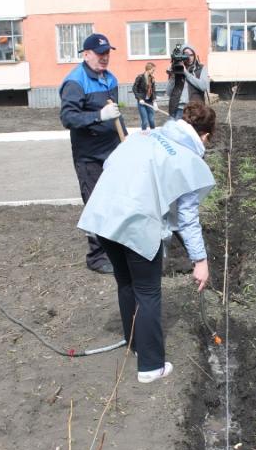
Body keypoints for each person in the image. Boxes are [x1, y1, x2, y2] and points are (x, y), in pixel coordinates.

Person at [77, 102, 216, 383]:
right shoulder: (188, 160)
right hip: (136, 221)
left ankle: (135, 342)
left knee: (126, 282)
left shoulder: (146, 136)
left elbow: (110, 164)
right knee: (148, 291)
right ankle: (151, 366)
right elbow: (187, 218)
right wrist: (200, 261)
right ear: (205, 136)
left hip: (104, 216)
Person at [59, 33, 126, 274]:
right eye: (100, 54)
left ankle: (116, 249)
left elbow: (116, 115)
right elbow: (68, 118)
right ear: (86, 54)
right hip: (89, 156)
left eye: (107, 53)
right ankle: (97, 257)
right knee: (96, 204)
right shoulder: (75, 82)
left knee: (115, 201)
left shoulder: (110, 79)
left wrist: (126, 142)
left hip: (112, 152)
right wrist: (99, 116)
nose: (105, 57)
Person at [166, 45, 209, 120]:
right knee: (175, 131)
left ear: (195, 55)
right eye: (186, 54)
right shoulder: (176, 69)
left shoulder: (201, 69)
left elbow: (203, 86)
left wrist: (186, 73)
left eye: (191, 55)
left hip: (194, 109)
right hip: (177, 109)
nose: (189, 57)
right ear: (182, 56)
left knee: (193, 131)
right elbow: (168, 92)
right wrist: (173, 76)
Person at [133, 62, 157, 130]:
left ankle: (154, 134)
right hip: (142, 102)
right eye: (153, 70)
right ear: (148, 69)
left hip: (149, 101)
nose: (153, 72)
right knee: (145, 121)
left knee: (152, 120)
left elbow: (153, 90)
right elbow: (134, 88)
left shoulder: (152, 78)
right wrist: (139, 98)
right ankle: (143, 135)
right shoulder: (140, 77)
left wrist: (154, 102)